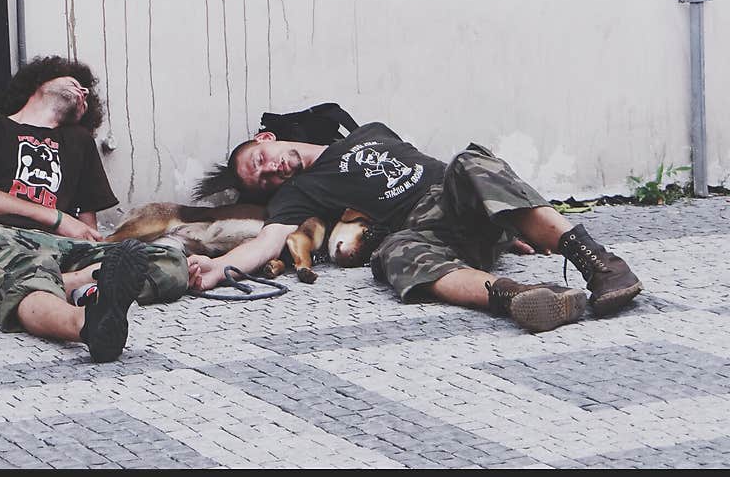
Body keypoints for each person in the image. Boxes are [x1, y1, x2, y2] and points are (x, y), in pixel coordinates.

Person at [187, 122, 642, 333]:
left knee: (468, 161)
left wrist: (508, 216)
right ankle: (520, 298)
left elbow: (449, 171)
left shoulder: (368, 132)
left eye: (259, 160)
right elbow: (268, 241)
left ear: (266, 139)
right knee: (392, 255)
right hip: (423, 229)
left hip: (456, 195)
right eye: (261, 179)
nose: (270, 171)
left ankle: (602, 267)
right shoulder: (297, 195)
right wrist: (219, 267)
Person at [0, 56, 187, 362]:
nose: (83, 91)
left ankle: (46, 284)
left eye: (86, 92)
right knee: (26, 267)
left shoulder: (78, 143)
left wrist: (93, 248)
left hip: (57, 246)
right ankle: (85, 323)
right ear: (39, 82)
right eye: (72, 80)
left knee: (168, 261)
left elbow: (87, 231)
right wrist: (56, 218)